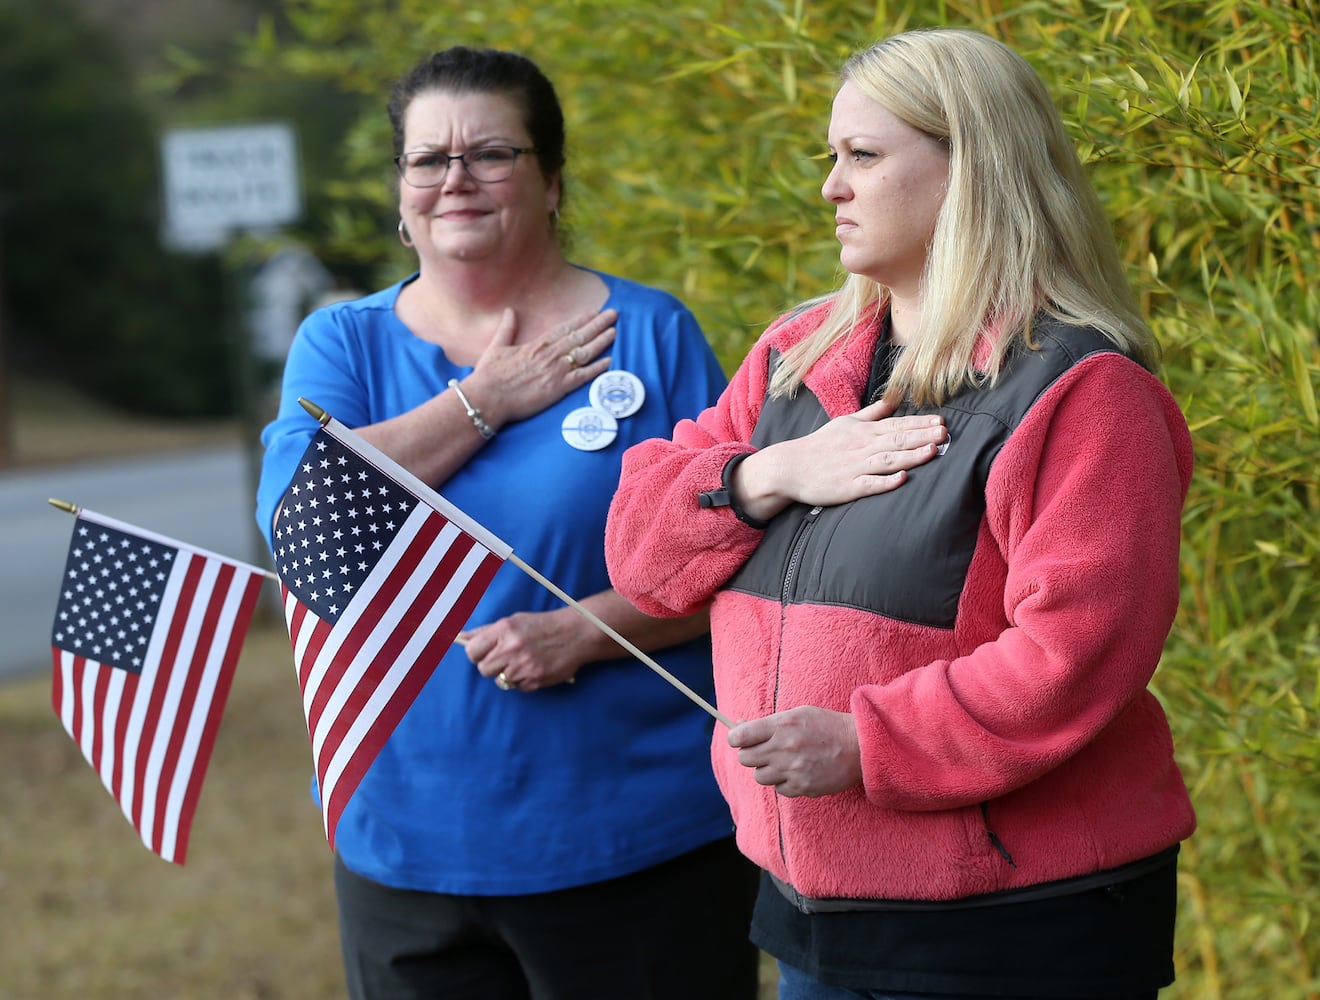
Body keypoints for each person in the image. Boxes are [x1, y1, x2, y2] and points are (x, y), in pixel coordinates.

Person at [605, 27, 1195, 1000]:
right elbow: (642, 556)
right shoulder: (796, 357)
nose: (831, 187)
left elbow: (1072, 654)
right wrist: (770, 473)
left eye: (863, 156)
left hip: (1014, 927)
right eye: (830, 157)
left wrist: (863, 743)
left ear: (972, 166)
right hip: (815, 910)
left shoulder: (1084, 391)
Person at [255, 46, 759, 1000]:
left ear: (553, 180)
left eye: (491, 153)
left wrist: (580, 632)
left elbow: (732, 560)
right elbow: (304, 531)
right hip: (403, 846)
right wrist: (483, 400)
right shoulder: (342, 346)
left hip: (631, 842)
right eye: (427, 159)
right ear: (401, 192)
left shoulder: (652, 336)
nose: (455, 179)